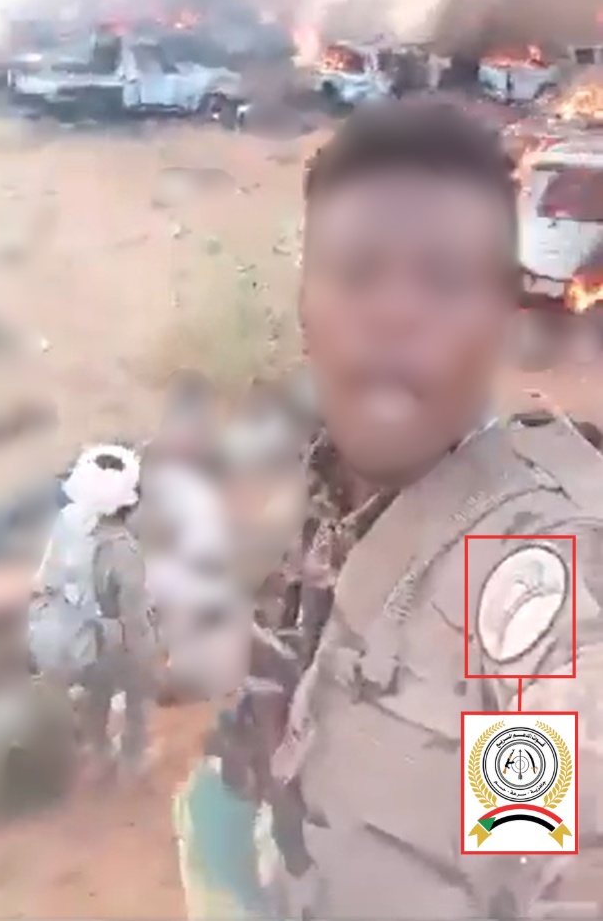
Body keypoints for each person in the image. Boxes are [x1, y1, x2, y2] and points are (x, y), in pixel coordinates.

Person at [190, 97, 603, 919]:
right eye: (355, 273)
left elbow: (557, 855)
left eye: (444, 280)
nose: (393, 315)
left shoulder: (525, 569)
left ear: (502, 318)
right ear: (306, 309)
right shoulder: (302, 493)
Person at [31, 443, 157, 779]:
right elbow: (133, 620)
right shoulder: (123, 550)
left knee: (97, 691)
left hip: (65, 637)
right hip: (106, 640)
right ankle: (133, 757)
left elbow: (46, 582)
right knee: (140, 681)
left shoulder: (65, 524)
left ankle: (98, 750)